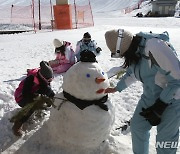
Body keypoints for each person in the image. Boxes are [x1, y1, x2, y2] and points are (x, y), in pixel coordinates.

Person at [104, 29, 180, 154]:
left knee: (165, 142)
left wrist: (160, 105)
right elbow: (132, 72)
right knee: (138, 127)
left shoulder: (155, 47)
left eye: (122, 54)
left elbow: (177, 79)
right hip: (150, 96)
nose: (123, 57)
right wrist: (117, 88)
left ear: (124, 47)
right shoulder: (136, 50)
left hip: (173, 99)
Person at [13, 61, 55, 136]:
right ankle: (17, 124)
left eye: (51, 79)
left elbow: (48, 90)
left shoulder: (43, 80)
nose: (49, 81)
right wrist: (37, 96)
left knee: (47, 90)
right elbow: (26, 94)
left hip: (33, 92)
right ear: (42, 77)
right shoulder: (31, 79)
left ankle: (41, 107)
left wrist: (53, 97)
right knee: (33, 105)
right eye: (48, 80)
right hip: (21, 97)